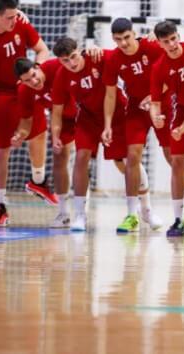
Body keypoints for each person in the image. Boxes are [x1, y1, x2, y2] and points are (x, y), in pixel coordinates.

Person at [0, 0, 53, 226]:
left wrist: (36, 71)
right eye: (9, 17)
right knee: (1, 151)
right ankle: (0, 205)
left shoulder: (21, 24)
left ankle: (38, 180)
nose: (15, 20)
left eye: (16, 15)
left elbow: (42, 50)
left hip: (26, 87)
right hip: (2, 94)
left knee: (40, 132)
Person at [50, 37, 130, 231]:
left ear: (80, 50)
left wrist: (147, 38)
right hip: (88, 119)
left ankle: (144, 207)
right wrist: (55, 135)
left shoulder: (98, 57)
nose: (71, 63)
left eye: (73, 57)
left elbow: (126, 52)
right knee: (81, 157)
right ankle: (80, 214)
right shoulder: (62, 75)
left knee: (125, 161)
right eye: (65, 60)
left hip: (117, 114)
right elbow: (57, 111)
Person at [101, 17, 166, 233]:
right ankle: (133, 214)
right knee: (131, 156)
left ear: (134, 33)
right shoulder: (114, 59)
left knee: (173, 156)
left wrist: (155, 96)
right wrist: (107, 126)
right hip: (137, 109)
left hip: (161, 104)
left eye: (126, 37)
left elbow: (170, 75)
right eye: (118, 39)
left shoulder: (151, 47)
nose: (123, 43)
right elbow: (110, 95)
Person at [13, 57, 80, 228]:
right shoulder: (24, 91)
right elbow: (26, 122)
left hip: (89, 111)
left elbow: (78, 62)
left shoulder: (55, 66)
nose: (34, 82)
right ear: (21, 82)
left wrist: (92, 50)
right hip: (64, 120)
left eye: (34, 75)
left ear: (37, 67)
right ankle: (65, 214)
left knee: (122, 159)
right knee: (62, 159)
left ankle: (141, 203)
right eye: (27, 80)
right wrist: (20, 134)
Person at [148, 21, 184, 236]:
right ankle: (181, 216)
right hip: (182, 111)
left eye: (173, 39)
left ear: (178, 36)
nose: (171, 44)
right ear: (159, 43)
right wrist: (155, 117)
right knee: (176, 161)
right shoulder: (159, 67)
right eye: (166, 41)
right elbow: (155, 103)